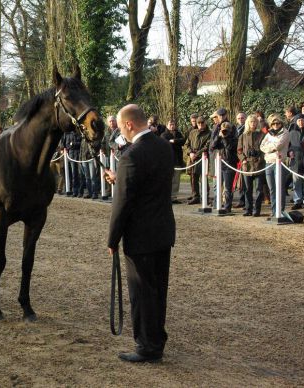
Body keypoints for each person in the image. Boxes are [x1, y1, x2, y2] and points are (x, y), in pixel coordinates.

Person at [105, 104, 175, 363]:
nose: (121, 131)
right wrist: (119, 177)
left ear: (129, 125)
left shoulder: (131, 155)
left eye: (121, 127)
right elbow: (147, 184)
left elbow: (123, 202)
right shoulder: (164, 148)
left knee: (141, 291)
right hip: (162, 230)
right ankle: (156, 339)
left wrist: (112, 238)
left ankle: (147, 346)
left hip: (140, 235)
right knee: (157, 290)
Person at [260, 114, 290, 220]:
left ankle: (280, 210)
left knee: (279, 187)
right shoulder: (269, 134)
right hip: (269, 163)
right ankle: (274, 211)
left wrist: (270, 148)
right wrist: (271, 148)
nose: (276, 125)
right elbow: (261, 146)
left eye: (277, 123)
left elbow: (278, 146)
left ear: (281, 123)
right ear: (271, 125)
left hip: (279, 163)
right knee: (272, 188)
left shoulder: (285, 132)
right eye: (273, 123)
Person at [237, 115, 265, 217]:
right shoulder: (243, 136)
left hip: (259, 165)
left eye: (254, 122)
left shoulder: (262, 135)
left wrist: (260, 159)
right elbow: (239, 150)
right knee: (247, 189)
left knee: (259, 189)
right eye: (251, 122)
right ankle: (248, 209)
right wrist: (243, 159)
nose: (253, 124)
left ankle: (257, 209)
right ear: (248, 123)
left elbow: (264, 150)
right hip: (246, 165)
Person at [210, 121, 238, 212]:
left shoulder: (234, 139)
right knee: (218, 186)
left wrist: (225, 138)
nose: (225, 132)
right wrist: (218, 137)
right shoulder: (220, 137)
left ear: (230, 131)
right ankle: (217, 204)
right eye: (223, 130)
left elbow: (229, 148)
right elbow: (212, 147)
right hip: (220, 164)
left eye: (227, 130)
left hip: (230, 164)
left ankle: (227, 206)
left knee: (228, 188)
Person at [185, 117, 212, 205]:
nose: (200, 125)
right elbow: (187, 144)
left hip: (203, 158)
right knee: (193, 178)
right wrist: (190, 153)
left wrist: (196, 154)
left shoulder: (209, 133)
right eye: (199, 123)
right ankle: (195, 196)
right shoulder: (192, 132)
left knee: (203, 178)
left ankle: (205, 197)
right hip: (193, 158)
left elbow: (207, 146)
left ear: (205, 123)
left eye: (202, 123)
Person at [160, 119, 185, 203]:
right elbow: (165, 144)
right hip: (168, 160)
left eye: (173, 124)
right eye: (170, 124)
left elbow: (183, 141)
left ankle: (174, 197)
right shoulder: (164, 135)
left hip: (177, 160)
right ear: (167, 125)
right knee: (168, 179)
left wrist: (174, 141)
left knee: (176, 180)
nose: (172, 126)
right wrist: (175, 143)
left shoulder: (178, 133)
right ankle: (167, 197)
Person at [289, 116, 304, 210]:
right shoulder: (291, 132)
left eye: (302, 120)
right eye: (298, 120)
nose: (300, 122)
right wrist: (289, 152)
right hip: (295, 161)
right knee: (296, 183)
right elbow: (288, 146)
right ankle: (297, 201)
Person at [60, 131, 82, 197]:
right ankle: (72, 190)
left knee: (77, 174)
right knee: (71, 174)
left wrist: (72, 144)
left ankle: (78, 191)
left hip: (77, 155)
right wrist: (65, 147)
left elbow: (80, 143)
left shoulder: (78, 132)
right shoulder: (66, 133)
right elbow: (64, 144)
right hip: (69, 156)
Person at [234, 112, 247, 208]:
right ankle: (241, 198)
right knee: (238, 180)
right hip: (236, 156)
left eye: (242, 118)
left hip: (244, 157)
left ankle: (243, 200)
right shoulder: (235, 129)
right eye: (239, 118)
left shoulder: (246, 129)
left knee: (243, 180)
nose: (240, 120)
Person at [184, 113, 199, 199]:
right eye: (193, 121)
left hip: (199, 156)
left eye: (195, 121)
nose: (194, 123)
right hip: (191, 156)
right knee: (192, 175)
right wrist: (190, 153)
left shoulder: (203, 129)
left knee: (200, 176)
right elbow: (186, 143)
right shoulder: (189, 130)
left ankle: (205, 194)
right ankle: (194, 193)